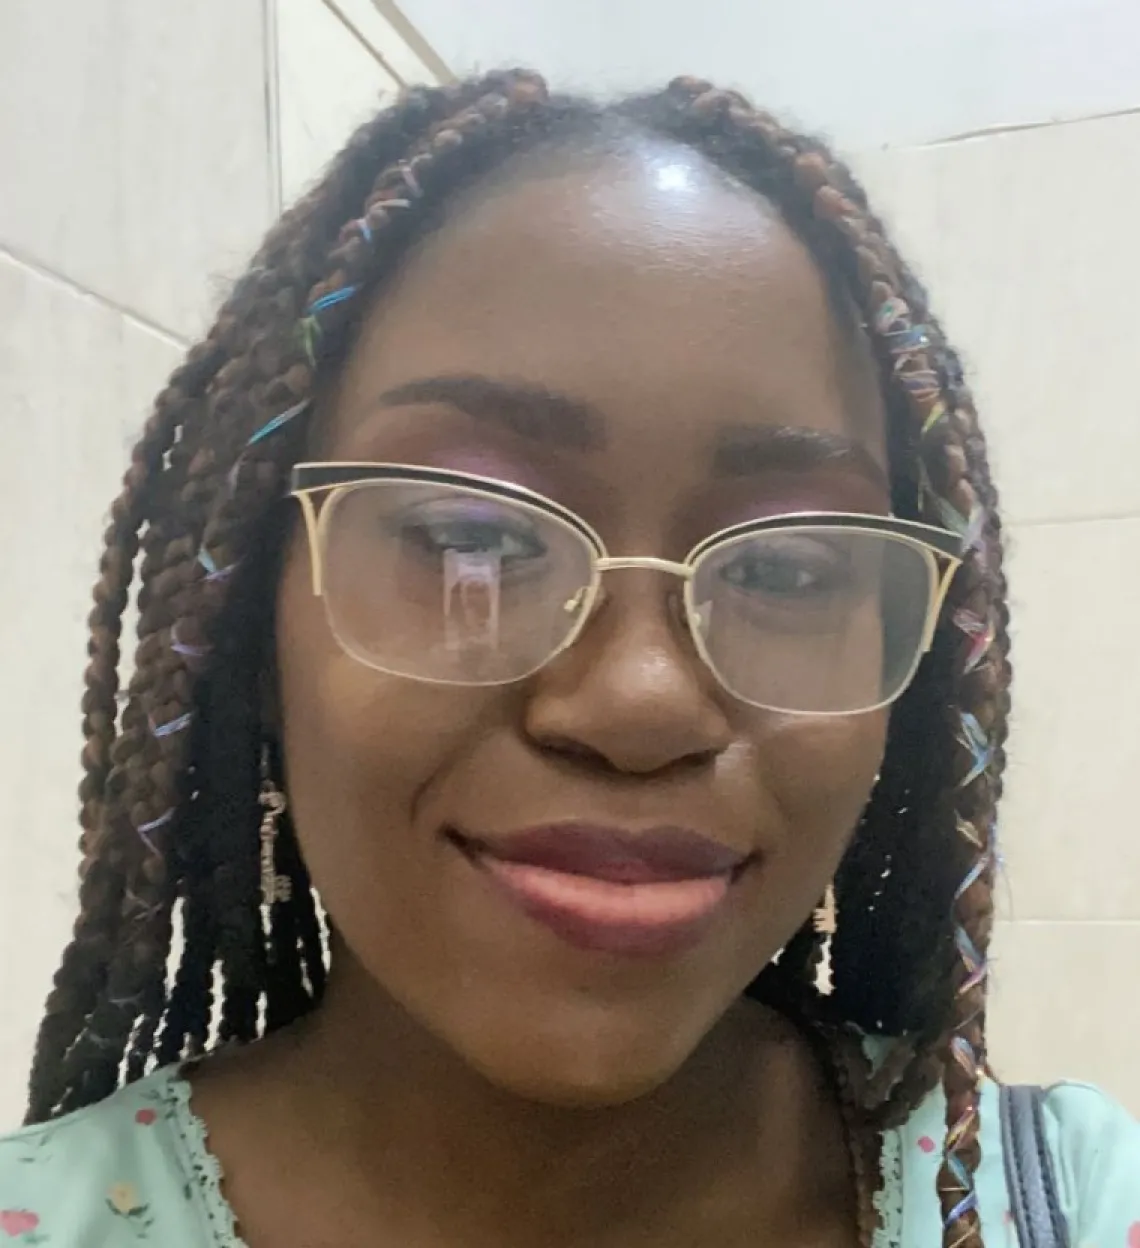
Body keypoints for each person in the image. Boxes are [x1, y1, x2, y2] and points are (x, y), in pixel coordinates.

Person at [0, 69, 1135, 1248]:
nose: (641, 700)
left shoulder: (1071, 1205)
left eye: (785, 568)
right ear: (250, 629)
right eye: (473, 538)